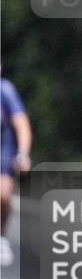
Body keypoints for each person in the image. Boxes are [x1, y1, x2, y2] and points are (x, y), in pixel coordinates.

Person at [1, 76, 32, 267]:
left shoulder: (5, 89)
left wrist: (23, 153)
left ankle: (1, 236)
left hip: (4, 150)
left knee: (3, 195)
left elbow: (22, 125)